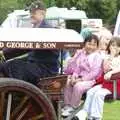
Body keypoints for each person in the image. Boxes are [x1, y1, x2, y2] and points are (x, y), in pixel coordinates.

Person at [0, 0, 59, 84]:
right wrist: (3, 54)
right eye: (30, 12)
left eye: (34, 12)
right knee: (5, 65)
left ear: (42, 13)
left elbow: (24, 46)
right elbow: (22, 46)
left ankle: (15, 92)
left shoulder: (46, 29)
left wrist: (3, 53)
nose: (31, 15)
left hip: (45, 69)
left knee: (14, 65)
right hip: (35, 65)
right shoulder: (36, 29)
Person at [71, 37, 120, 120]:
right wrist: (111, 56)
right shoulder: (106, 57)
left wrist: (112, 72)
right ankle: (86, 114)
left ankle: (96, 117)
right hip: (104, 82)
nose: (115, 48)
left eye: (118, 46)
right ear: (109, 47)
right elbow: (105, 69)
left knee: (99, 94)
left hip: (115, 84)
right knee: (90, 92)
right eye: (113, 46)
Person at [62, 34, 103, 117]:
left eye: (94, 45)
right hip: (79, 77)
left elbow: (94, 73)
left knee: (78, 86)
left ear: (97, 46)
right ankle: (67, 105)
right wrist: (74, 76)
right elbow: (77, 68)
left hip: (90, 80)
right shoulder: (82, 54)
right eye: (89, 44)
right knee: (67, 82)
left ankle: (73, 106)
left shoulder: (97, 57)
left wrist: (80, 80)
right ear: (84, 44)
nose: (91, 47)